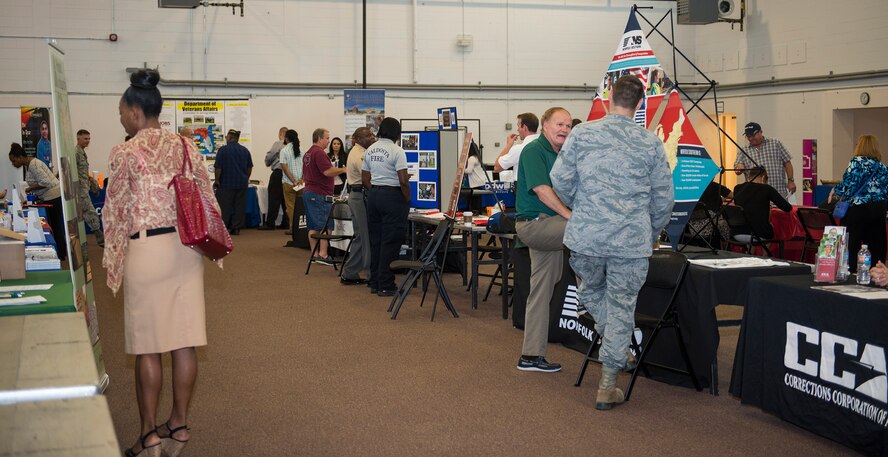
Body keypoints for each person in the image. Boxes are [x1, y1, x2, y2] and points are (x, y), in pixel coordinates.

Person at [102, 69, 218, 457]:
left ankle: (150, 434)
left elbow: (114, 213)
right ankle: (180, 425)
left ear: (135, 112)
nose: (120, 118)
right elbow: (207, 197)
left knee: (148, 347)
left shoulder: (125, 152)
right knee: (184, 341)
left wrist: (113, 260)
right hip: (185, 251)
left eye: (121, 112)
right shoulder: (187, 147)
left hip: (147, 252)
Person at [550, 75, 674, 410]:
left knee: (590, 291)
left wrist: (585, 206)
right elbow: (664, 199)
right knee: (621, 307)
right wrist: (650, 231)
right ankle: (609, 380)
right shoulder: (649, 143)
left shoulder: (582, 133)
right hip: (629, 241)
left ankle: (611, 374)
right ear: (639, 104)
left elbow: (559, 179)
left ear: (608, 98)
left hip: (586, 237)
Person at [513, 107, 574, 373]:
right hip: (536, 225)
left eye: (569, 126)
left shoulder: (563, 154)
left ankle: (530, 356)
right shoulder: (534, 150)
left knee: (541, 291)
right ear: (545, 125)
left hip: (550, 227)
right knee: (587, 233)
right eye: (559, 124)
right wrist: (572, 217)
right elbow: (541, 190)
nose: (564, 129)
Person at [362, 117, 410, 296]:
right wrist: (406, 199)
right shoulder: (397, 151)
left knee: (376, 241)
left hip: (374, 196)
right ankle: (386, 284)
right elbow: (404, 181)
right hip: (392, 197)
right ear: (397, 133)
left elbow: (365, 179)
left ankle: (374, 282)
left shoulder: (370, 150)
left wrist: (377, 190)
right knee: (390, 242)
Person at [829, 134, 888, 271]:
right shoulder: (882, 167)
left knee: (852, 244)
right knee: (876, 245)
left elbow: (850, 185)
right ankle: (876, 273)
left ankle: (851, 273)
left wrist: (835, 189)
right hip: (878, 209)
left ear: (860, 146)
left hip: (858, 209)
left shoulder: (856, 162)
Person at [8, 142, 66, 260]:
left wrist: (30, 188)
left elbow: (46, 183)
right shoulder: (29, 165)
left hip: (53, 197)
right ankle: (60, 252)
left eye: (14, 161)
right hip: (49, 196)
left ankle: (60, 254)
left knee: (56, 226)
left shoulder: (34, 165)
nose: (13, 164)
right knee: (55, 226)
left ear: (20, 157)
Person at [303, 128, 346, 265]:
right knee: (325, 225)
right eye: (327, 138)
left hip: (310, 192)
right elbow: (327, 172)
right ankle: (323, 255)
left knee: (312, 226)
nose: (329, 141)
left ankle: (314, 255)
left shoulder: (308, 153)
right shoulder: (319, 153)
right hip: (319, 193)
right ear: (320, 138)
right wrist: (345, 169)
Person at [340, 127, 376, 285]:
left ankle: (351, 272)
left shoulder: (355, 151)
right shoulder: (360, 155)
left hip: (357, 195)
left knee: (360, 236)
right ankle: (368, 273)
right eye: (368, 136)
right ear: (359, 139)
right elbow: (368, 178)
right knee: (364, 236)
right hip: (360, 195)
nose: (372, 138)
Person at [734, 122, 796, 199]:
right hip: (755, 194)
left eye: (753, 135)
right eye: (748, 136)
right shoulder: (743, 150)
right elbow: (737, 170)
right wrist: (740, 167)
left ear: (761, 132)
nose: (750, 138)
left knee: (780, 211)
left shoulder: (775, 143)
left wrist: (791, 181)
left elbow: (787, 162)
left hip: (778, 191)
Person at [733, 167, 792, 241]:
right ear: (763, 177)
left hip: (737, 233)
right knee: (770, 227)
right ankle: (765, 253)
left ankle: (750, 252)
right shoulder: (766, 189)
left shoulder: (737, 188)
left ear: (749, 175)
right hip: (759, 234)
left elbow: (739, 207)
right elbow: (787, 208)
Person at [214, 129, 253, 235]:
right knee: (239, 207)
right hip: (241, 183)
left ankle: (224, 227)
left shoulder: (223, 150)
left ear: (230, 138)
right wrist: (246, 177)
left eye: (227, 137)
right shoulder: (245, 151)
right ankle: (236, 228)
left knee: (224, 207)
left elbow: (218, 168)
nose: (226, 139)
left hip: (226, 184)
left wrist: (217, 180)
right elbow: (249, 167)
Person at [74, 129, 104, 247]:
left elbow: (82, 171)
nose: (88, 141)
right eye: (85, 139)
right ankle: (99, 236)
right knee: (90, 211)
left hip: (84, 187)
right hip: (79, 189)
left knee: (82, 215)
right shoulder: (75, 152)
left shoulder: (82, 152)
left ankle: (82, 241)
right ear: (78, 138)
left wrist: (91, 180)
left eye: (89, 139)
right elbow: (72, 171)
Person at [259, 127, 290, 231]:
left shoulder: (278, 143)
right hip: (289, 175)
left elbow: (269, 156)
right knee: (285, 200)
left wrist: (267, 163)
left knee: (274, 199)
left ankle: (270, 223)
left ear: (280, 134)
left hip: (278, 173)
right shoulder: (293, 146)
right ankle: (286, 222)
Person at [494, 112, 539, 182]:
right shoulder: (544, 145)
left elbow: (497, 167)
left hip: (523, 189)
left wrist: (508, 145)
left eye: (518, 126)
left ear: (524, 127)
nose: (517, 130)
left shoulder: (519, 149)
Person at [279, 129, 304, 246]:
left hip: (289, 183)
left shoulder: (284, 151)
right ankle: (301, 228)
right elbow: (306, 167)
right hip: (301, 184)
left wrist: (293, 180)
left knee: (291, 207)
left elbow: (284, 167)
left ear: (286, 138)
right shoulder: (302, 150)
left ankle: (293, 228)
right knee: (301, 207)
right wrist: (301, 180)